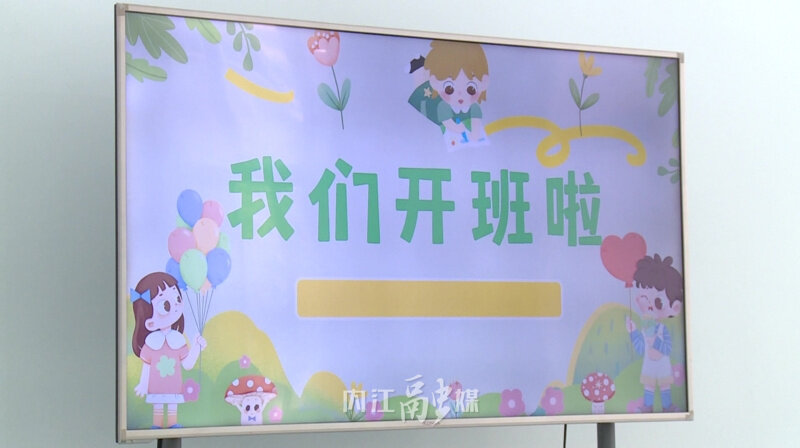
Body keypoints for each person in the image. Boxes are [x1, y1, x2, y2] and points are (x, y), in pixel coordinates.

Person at [131, 272, 206, 428]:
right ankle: (157, 427)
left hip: (174, 386)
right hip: (156, 387)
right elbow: (146, 366)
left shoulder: (178, 340)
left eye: (177, 299)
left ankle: (173, 426)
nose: (176, 306)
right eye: (166, 305)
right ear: (150, 323)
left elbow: (187, 364)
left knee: (172, 408)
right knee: (158, 408)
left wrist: (196, 347)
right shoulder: (151, 342)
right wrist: (143, 384)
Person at [625, 254, 683, 413]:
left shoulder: (663, 329)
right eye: (644, 298)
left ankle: (667, 406)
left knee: (665, 386)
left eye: (656, 302)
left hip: (663, 365)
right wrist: (633, 332)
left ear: (674, 308)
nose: (648, 305)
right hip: (649, 365)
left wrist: (655, 342)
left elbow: (668, 349)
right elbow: (640, 348)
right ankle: (647, 406)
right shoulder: (645, 329)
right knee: (649, 386)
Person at [408, 40, 490, 148]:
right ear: (435, 82)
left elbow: (476, 122)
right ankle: (418, 66)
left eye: (471, 89)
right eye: (449, 88)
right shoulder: (443, 106)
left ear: (484, 83)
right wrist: (457, 128)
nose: (460, 95)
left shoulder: (474, 107)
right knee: (422, 89)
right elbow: (449, 124)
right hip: (432, 106)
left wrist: (475, 133)